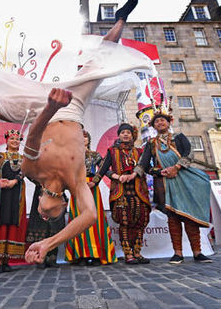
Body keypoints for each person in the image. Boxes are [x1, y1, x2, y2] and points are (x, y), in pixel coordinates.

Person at [0, 0, 154, 263]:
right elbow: (90, 216)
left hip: (43, 109)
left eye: (43, 213)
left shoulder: (30, 171)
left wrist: (49, 108)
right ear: (63, 204)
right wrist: (51, 242)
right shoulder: (76, 184)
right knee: (102, 61)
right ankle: (122, 18)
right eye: (53, 215)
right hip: (74, 106)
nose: (45, 214)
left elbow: (33, 135)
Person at [136, 112, 212, 264]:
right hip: (164, 183)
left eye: (162, 120)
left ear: (168, 123)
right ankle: (178, 253)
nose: (160, 123)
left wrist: (176, 167)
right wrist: (156, 172)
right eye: (156, 122)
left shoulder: (179, 137)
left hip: (184, 178)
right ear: (153, 126)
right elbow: (144, 164)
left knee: (189, 216)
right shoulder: (151, 144)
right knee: (173, 217)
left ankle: (197, 252)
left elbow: (188, 154)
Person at [93, 123, 150, 265]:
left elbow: (146, 167)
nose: (125, 135)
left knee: (140, 221)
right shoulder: (112, 151)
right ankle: (128, 253)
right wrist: (97, 182)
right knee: (125, 222)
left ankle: (137, 252)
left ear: (132, 135)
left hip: (139, 191)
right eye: (123, 132)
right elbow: (103, 168)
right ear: (119, 135)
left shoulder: (140, 152)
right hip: (121, 191)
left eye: (128, 132)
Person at [66, 130, 117, 266]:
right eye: (80, 137)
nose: (83, 139)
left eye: (85, 137)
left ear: (88, 139)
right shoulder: (70, 156)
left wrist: (117, 177)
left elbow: (104, 169)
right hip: (77, 188)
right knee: (77, 219)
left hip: (92, 186)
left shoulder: (95, 155)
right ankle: (80, 254)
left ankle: (95, 254)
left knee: (96, 220)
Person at [0, 130, 28, 273]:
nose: (15, 141)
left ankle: (7, 260)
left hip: (17, 192)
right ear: (7, 141)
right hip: (0, 194)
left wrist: (15, 181)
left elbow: (25, 173)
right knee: (0, 222)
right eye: (12, 139)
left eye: (17, 139)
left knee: (13, 222)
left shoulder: (24, 158)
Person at [25, 183, 66, 268]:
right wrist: (39, 180)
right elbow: (29, 173)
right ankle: (40, 258)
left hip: (57, 192)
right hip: (41, 191)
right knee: (40, 225)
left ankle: (52, 258)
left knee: (55, 225)